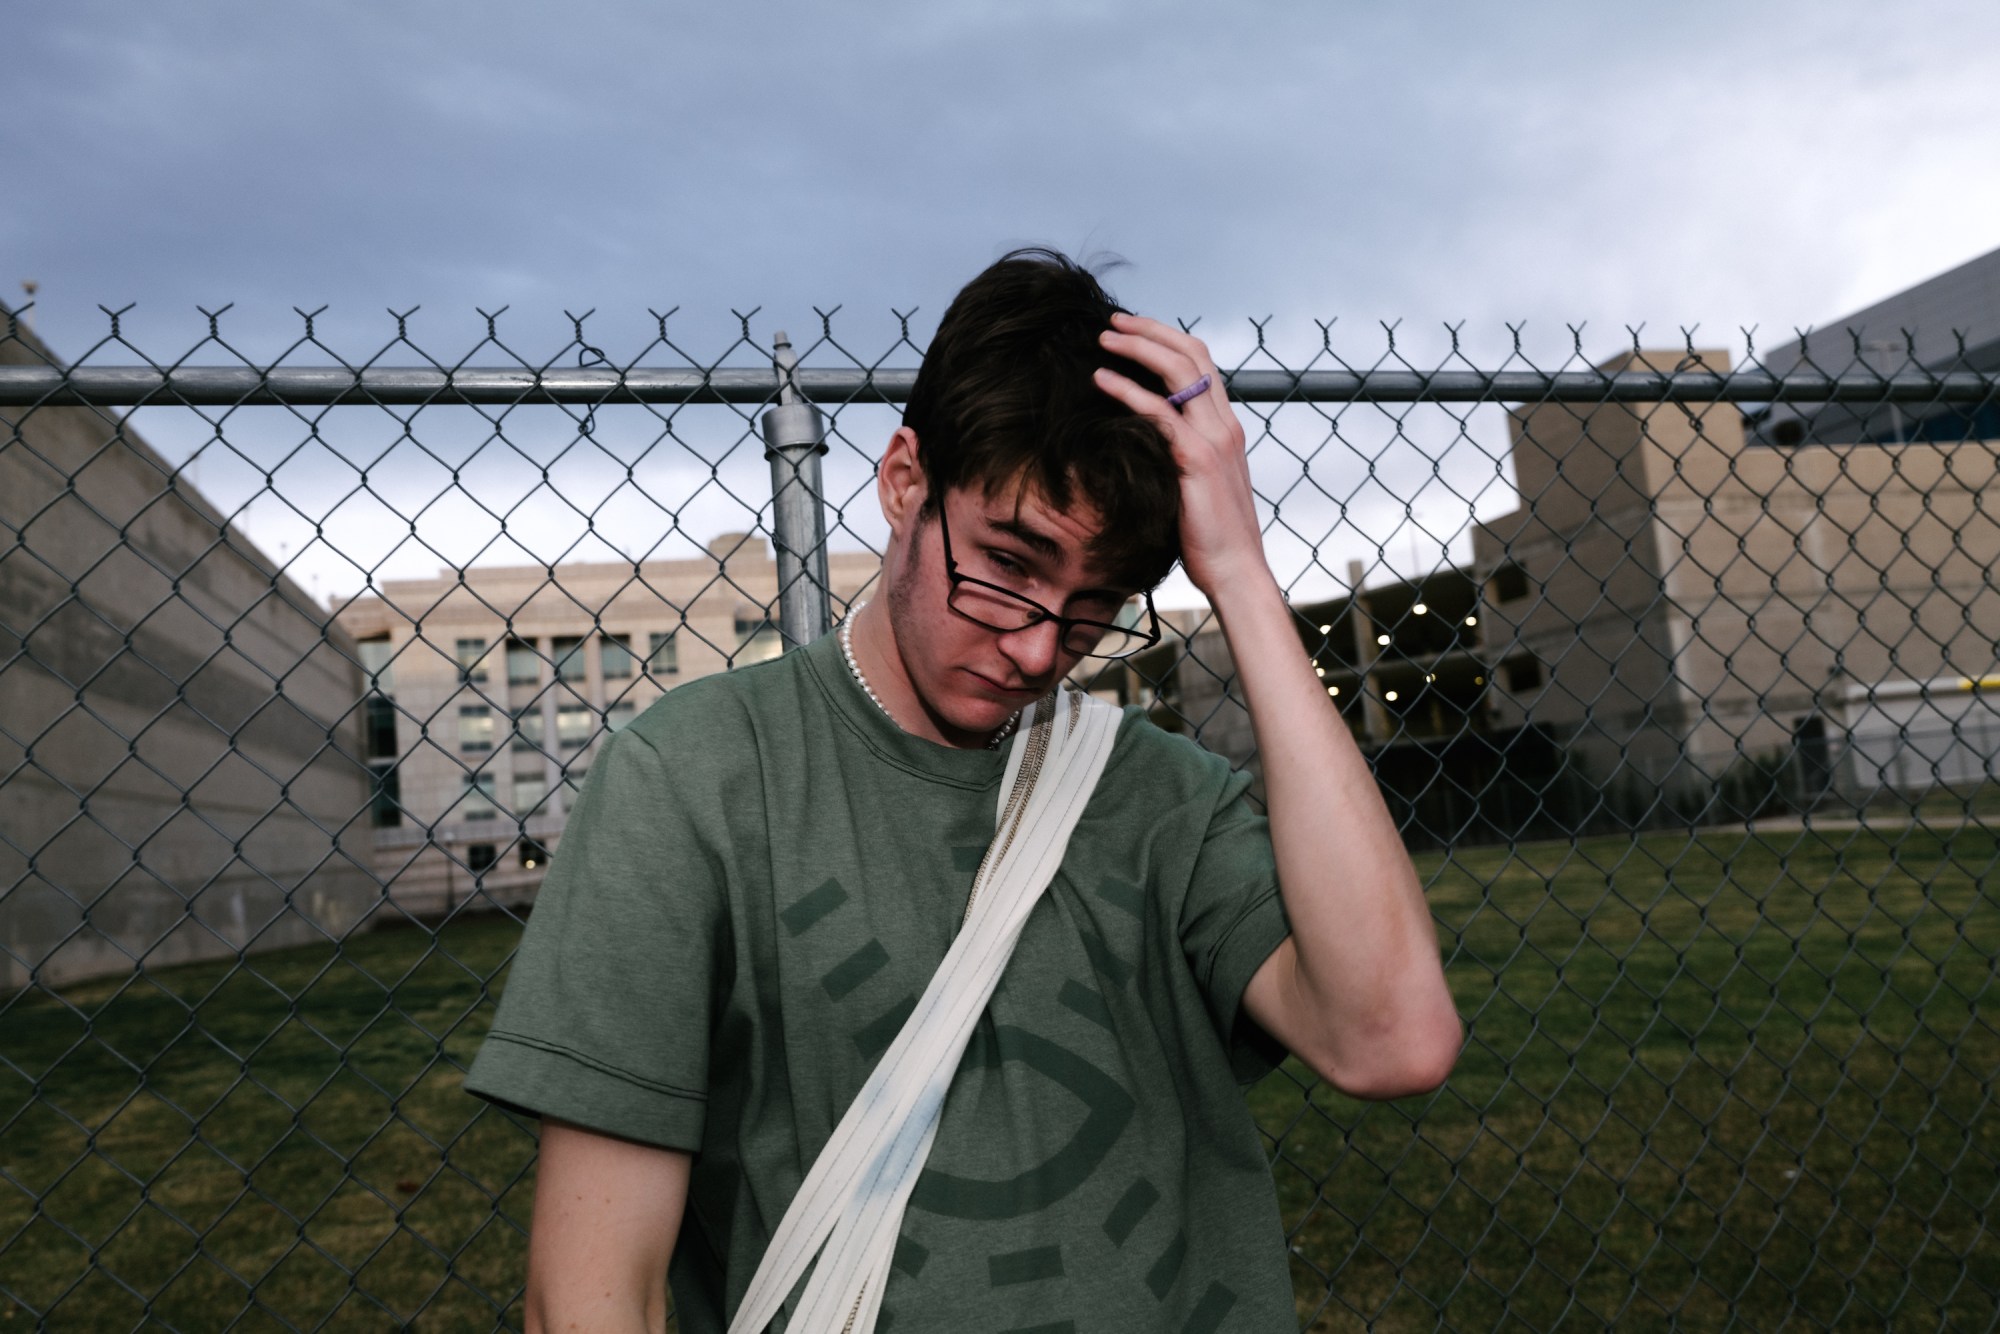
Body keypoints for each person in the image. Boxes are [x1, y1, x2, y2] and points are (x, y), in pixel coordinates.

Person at [465, 249, 1462, 1333]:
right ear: (904, 482)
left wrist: (1240, 575)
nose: (1040, 648)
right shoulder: (693, 781)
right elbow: (590, 1297)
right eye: (1006, 564)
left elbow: (1391, 1038)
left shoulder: (1162, 800)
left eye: (1093, 606)